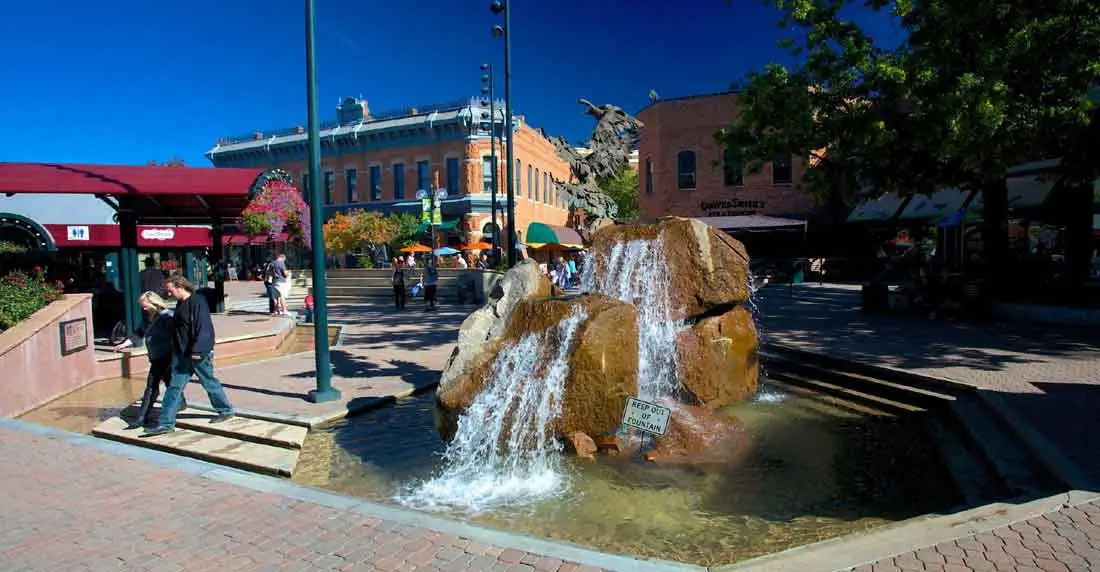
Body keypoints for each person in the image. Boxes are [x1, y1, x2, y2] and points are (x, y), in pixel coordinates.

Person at [142, 276, 235, 437]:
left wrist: (198, 350)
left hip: (197, 354)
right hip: (181, 355)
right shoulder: (180, 304)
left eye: (170, 290)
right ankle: (166, 423)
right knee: (174, 388)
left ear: (180, 287)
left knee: (209, 382)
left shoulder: (197, 301)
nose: (169, 294)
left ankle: (225, 410)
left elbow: (204, 327)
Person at [113, 291, 184, 430]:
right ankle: (181, 402)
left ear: (154, 303)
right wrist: (125, 343)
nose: (143, 309)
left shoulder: (167, 317)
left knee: (152, 387)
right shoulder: (149, 317)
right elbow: (140, 332)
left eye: (145, 306)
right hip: (156, 356)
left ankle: (142, 417)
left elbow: (176, 336)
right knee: (169, 382)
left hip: (165, 356)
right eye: (142, 306)